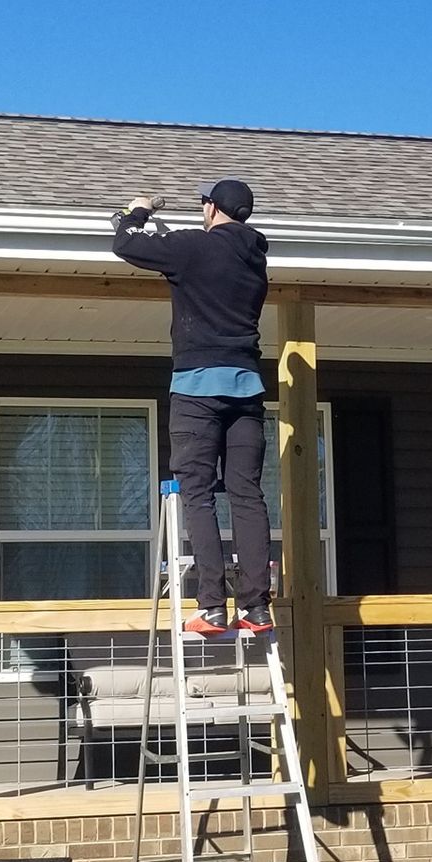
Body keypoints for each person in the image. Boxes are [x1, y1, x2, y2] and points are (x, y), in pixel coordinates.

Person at [112, 179, 273, 637]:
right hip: (246, 390)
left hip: (197, 388)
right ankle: (257, 607)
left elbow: (124, 243)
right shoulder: (255, 260)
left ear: (210, 208)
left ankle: (212, 607)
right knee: (246, 496)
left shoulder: (191, 248)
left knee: (198, 494)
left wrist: (137, 211)